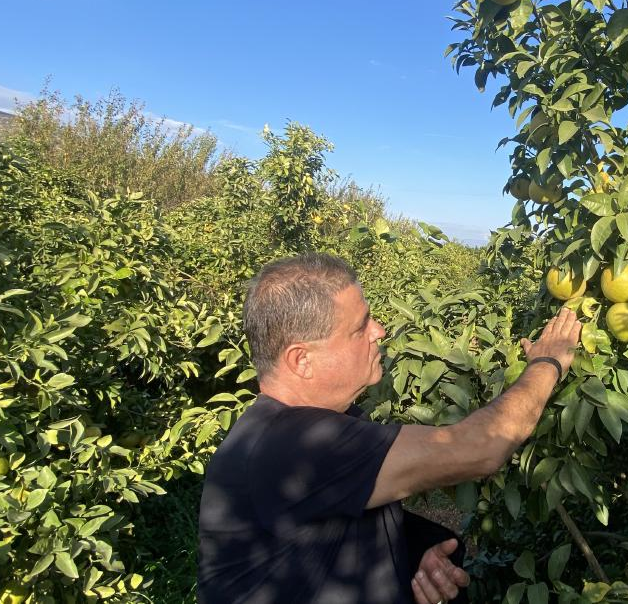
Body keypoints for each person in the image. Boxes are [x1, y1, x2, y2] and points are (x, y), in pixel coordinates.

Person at [198, 253, 581, 604]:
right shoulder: (294, 445)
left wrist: (408, 562)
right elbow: (481, 447)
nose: (379, 331)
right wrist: (548, 361)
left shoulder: (319, 430)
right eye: (359, 327)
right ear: (302, 361)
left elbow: (323, 551)